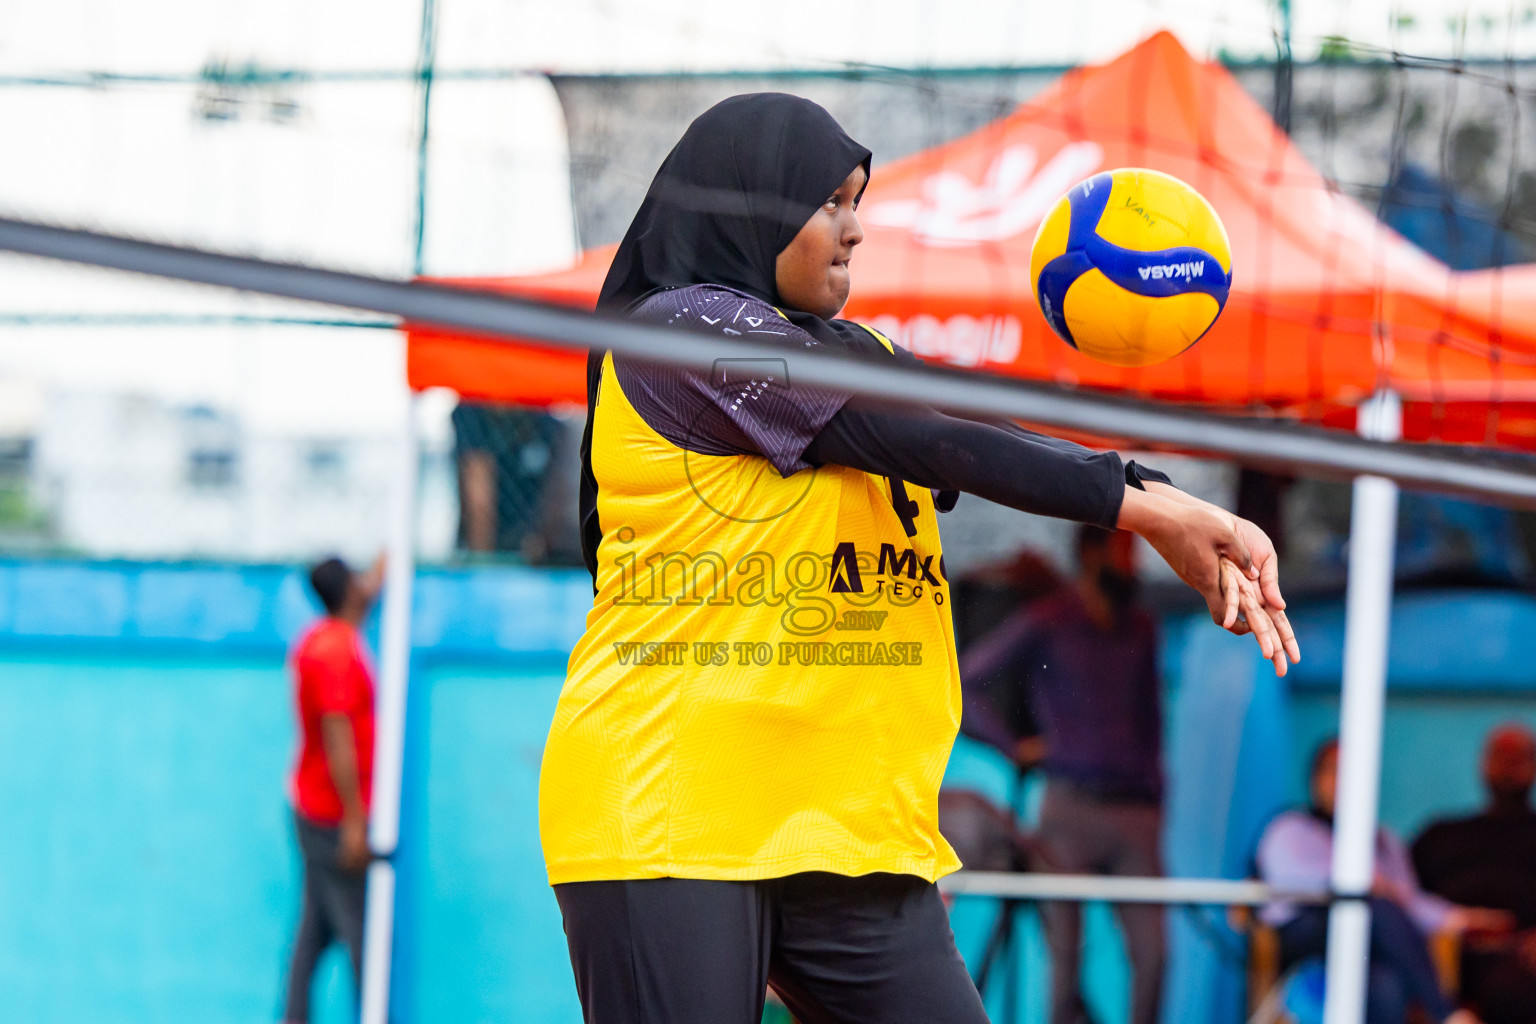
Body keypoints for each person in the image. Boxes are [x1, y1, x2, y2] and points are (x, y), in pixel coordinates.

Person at [538, 92, 1298, 1024]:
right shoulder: (675, 334)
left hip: (845, 830)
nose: (856, 230)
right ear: (754, 207)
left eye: (859, 200)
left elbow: (961, 426)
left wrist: (1165, 495)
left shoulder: (861, 352)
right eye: (830, 203)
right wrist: (1139, 511)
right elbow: (907, 433)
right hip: (672, 808)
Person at [961, 526, 1166, 1024]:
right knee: (1064, 958)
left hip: (1135, 811)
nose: (1134, 563)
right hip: (1069, 807)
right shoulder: (1049, 619)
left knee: (1155, 955)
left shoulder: (1140, 627)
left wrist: (1158, 802)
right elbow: (964, 681)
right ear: (1092, 553)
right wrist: (1014, 749)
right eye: (1125, 549)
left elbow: (1152, 722)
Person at [1256, 738, 1498, 1024]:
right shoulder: (1290, 828)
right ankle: (1447, 1013)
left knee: (1387, 985)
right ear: (1315, 779)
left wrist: (1457, 917)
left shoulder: (1383, 841)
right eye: (1333, 771)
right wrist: (1360, 883)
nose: (1341, 781)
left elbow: (1405, 899)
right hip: (1306, 933)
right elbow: (1292, 881)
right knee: (1371, 904)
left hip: (1368, 948)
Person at [281, 555, 383, 1024]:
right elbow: (338, 737)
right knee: (363, 934)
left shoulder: (319, 640)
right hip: (330, 814)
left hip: (311, 804)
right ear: (350, 590)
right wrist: (355, 823)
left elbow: (368, 593)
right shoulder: (338, 652)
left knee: (316, 931)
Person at [1413, 724, 1536, 1024]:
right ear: (1482, 764)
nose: (1508, 764)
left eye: (1518, 756)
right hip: (1443, 956)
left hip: (1518, 960)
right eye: (1500, 754)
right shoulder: (1440, 835)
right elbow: (1405, 896)